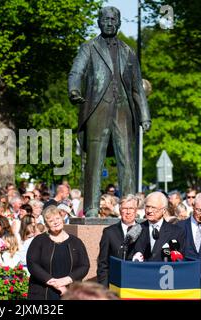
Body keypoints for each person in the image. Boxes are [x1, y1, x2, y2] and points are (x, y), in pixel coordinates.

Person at [68, 6, 151, 217]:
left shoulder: (128, 51)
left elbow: (137, 88)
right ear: (99, 22)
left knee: (127, 161)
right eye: (105, 19)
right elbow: (77, 71)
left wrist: (144, 115)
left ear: (119, 23)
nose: (109, 22)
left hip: (123, 111)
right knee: (95, 160)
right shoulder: (89, 47)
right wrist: (74, 89)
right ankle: (92, 208)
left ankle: (130, 208)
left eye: (113, 19)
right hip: (98, 109)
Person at [27, 206, 90, 300]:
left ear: (62, 219)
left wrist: (66, 280)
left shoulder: (76, 242)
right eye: (51, 221)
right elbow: (32, 264)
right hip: (43, 291)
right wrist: (56, 284)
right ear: (46, 224)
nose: (56, 222)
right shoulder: (39, 241)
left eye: (57, 218)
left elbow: (84, 265)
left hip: (70, 291)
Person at [97, 194, 139, 286]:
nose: (128, 212)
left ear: (136, 211)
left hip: (138, 283)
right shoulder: (109, 232)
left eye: (131, 208)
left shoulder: (144, 230)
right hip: (116, 284)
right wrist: (103, 290)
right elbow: (103, 264)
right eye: (124, 208)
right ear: (120, 210)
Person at [133, 192, 185, 261]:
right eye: (147, 206)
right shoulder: (136, 229)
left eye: (153, 207)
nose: (149, 211)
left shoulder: (176, 232)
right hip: (141, 270)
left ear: (163, 210)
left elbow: (180, 259)